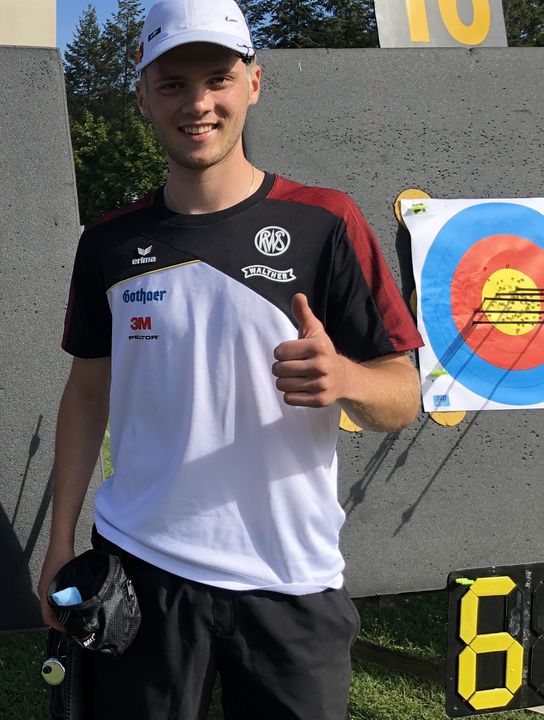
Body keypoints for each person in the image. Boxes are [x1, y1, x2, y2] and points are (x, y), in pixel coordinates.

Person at [38, 1, 423, 717]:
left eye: (217, 78)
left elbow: (403, 397)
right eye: (174, 83)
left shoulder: (326, 222)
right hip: (141, 570)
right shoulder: (109, 243)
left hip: (292, 581)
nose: (198, 103)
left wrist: (345, 379)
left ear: (253, 83)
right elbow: (86, 392)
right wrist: (59, 541)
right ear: (143, 96)